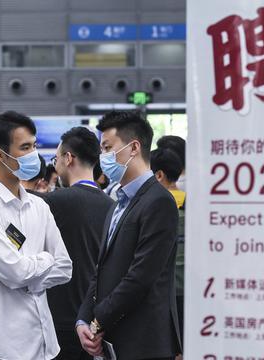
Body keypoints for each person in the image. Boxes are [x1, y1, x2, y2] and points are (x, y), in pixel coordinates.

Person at [0, 111, 72, 360]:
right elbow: (14, 272)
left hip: (46, 342)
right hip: (4, 347)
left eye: (34, 146)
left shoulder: (39, 206)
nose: (34, 154)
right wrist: (45, 260)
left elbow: (65, 268)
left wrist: (27, 279)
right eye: (25, 147)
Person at [76, 110, 181, 359]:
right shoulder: (116, 203)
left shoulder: (159, 201)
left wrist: (97, 321)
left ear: (133, 147)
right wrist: (82, 318)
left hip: (143, 341)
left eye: (108, 148)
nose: (103, 157)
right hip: (113, 337)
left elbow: (141, 277)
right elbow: (101, 269)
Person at [46, 126, 114, 360]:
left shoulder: (53, 202)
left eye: (56, 159)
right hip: (96, 321)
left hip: (60, 320)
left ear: (68, 158)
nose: (56, 165)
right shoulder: (113, 206)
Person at [150, 148, 186, 347]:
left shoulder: (153, 206)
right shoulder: (192, 202)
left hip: (163, 289)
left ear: (159, 175)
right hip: (189, 286)